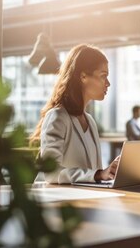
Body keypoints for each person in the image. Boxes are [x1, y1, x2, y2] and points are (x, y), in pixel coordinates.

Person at [31, 44, 119, 184]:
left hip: (86, 199)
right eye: (103, 76)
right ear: (83, 76)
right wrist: (98, 174)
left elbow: (94, 174)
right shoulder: (57, 117)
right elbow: (51, 173)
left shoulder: (90, 121)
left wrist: (108, 173)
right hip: (56, 201)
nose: (108, 83)